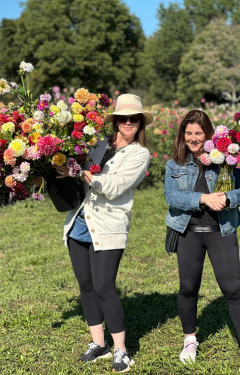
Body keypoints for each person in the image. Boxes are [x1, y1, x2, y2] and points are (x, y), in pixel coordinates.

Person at [55, 94, 152, 373]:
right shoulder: (96, 144)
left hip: (108, 226)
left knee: (104, 287)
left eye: (134, 118)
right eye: (123, 118)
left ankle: (121, 350)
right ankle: (99, 344)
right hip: (79, 223)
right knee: (86, 286)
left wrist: (81, 172)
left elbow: (115, 185)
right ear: (115, 121)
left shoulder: (139, 154)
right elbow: (74, 170)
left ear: (140, 123)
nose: (129, 122)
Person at [164, 110, 240, 375]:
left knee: (232, 289)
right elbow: (172, 198)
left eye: (199, 133)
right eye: (189, 133)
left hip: (221, 231)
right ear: (183, 135)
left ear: (208, 134)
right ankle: (190, 340)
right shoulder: (175, 165)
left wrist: (227, 199)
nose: (193, 138)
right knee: (188, 288)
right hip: (188, 232)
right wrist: (203, 199)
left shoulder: (226, 161)